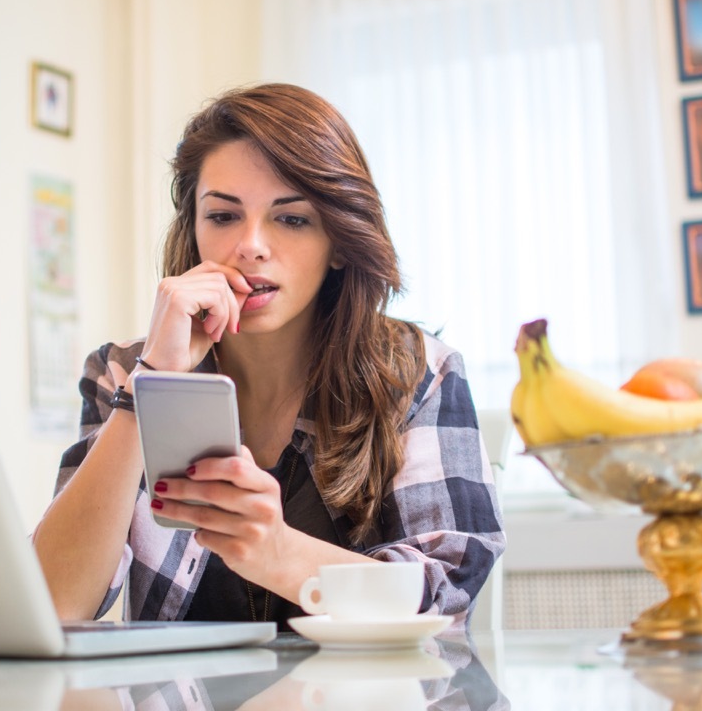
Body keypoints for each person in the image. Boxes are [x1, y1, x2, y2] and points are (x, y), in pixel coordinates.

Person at [32, 83, 504, 627]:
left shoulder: (417, 373)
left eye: (292, 218)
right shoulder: (120, 371)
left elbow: (445, 594)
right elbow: (54, 605)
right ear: (194, 229)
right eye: (223, 216)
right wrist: (150, 383)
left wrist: (276, 551)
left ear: (338, 241)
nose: (251, 244)